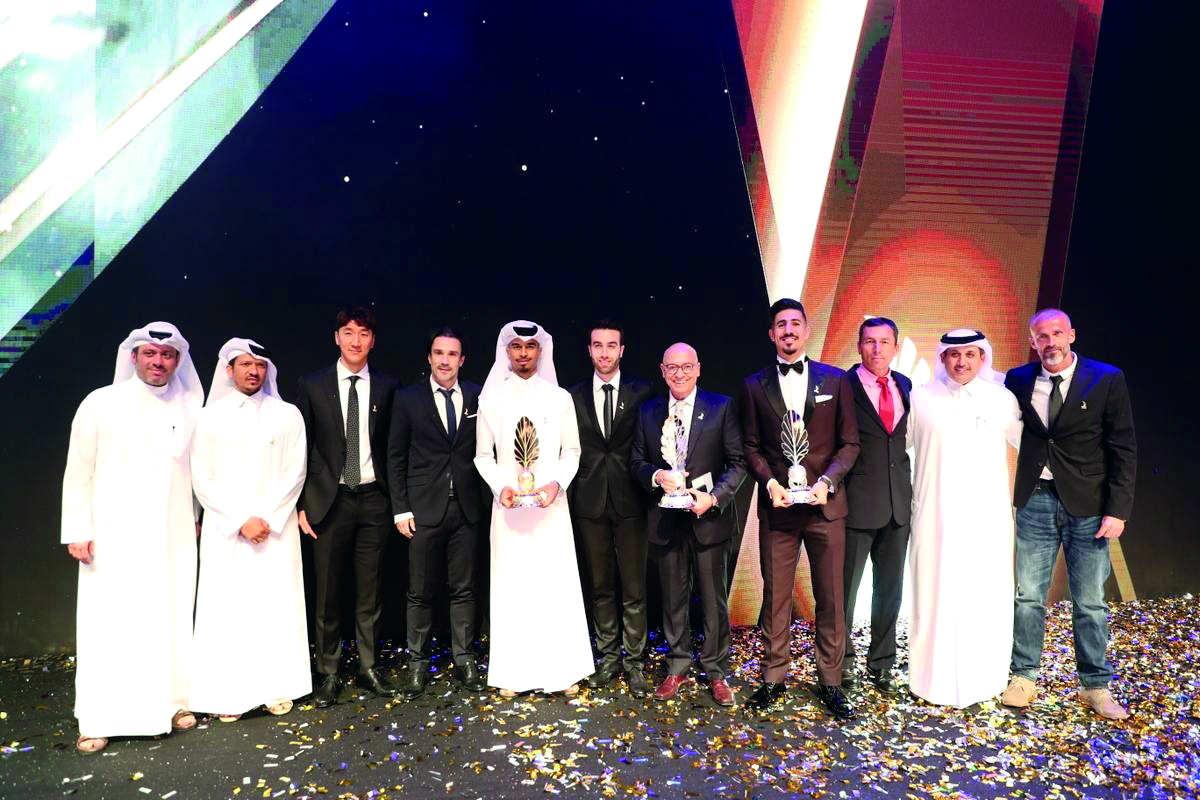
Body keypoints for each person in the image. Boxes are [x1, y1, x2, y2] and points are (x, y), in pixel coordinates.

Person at [61, 322, 204, 753]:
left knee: (172, 615)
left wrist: (198, 518)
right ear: (133, 356)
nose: (158, 362)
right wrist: (77, 530)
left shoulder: (191, 407)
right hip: (113, 537)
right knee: (110, 624)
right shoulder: (100, 403)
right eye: (150, 354)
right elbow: (78, 470)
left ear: (178, 361)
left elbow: (199, 470)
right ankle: (99, 717)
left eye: (167, 356)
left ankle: (173, 703)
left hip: (172, 534)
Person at [1001, 309, 1137, 720]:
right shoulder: (1017, 379)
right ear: (1033, 340)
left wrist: (1118, 509)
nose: (1050, 342)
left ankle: (1095, 686)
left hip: (1090, 508)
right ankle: (1023, 676)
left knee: (1090, 602)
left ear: (1072, 335)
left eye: (1057, 333)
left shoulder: (1106, 378)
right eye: (1042, 336)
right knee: (1028, 597)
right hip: (1036, 501)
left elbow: (1123, 448)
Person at [738, 299, 859, 719]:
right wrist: (770, 483)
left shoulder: (837, 380)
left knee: (830, 597)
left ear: (806, 330)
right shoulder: (754, 385)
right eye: (780, 325)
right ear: (771, 334)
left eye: (795, 323)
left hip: (826, 508)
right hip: (779, 508)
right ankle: (773, 678)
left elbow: (850, 444)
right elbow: (750, 447)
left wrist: (828, 482)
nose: (788, 330)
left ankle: (831, 681)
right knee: (776, 598)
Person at [189, 339, 311, 721]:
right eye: (245, 364)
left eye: (259, 364)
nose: (253, 371)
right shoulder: (209, 417)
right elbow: (202, 477)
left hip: (275, 531)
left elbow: (296, 472)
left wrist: (268, 520)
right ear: (229, 370)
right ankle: (230, 696)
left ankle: (279, 688)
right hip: (228, 532)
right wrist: (241, 520)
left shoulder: (287, 414)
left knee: (275, 607)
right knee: (229, 610)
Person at [473, 320, 592, 696]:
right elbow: (482, 456)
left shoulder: (559, 399)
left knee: (555, 585)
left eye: (530, 346)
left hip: (551, 508)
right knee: (513, 588)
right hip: (508, 511)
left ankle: (563, 670)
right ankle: (512, 674)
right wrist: (500, 487)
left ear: (541, 351)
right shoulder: (490, 400)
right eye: (516, 346)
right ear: (506, 351)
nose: (523, 353)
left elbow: (572, 451)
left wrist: (557, 483)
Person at [907, 329, 1021, 708]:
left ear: (982, 358)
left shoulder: (1002, 399)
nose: (961, 362)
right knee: (933, 593)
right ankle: (929, 681)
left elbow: (1034, 444)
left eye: (970, 355)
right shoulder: (921, 399)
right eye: (954, 355)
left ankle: (984, 679)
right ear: (942, 358)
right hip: (933, 518)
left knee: (982, 596)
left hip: (985, 521)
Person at [630, 342, 746, 707]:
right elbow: (635, 462)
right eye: (672, 367)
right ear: (662, 371)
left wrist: (713, 498)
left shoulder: (721, 407)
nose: (679, 373)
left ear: (698, 369)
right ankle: (677, 665)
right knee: (673, 598)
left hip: (708, 518)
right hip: (666, 519)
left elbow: (738, 462)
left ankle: (715, 669)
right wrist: (656, 475)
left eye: (686, 367)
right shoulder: (648, 411)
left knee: (714, 600)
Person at [296, 307, 400, 706]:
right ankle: (328, 671)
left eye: (364, 334)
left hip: (375, 498)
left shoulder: (389, 386)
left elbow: (393, 448)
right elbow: (301, 449)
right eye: (348, 332)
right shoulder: (313, 384)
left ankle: (368, 667)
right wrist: (304, 503)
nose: (356, 341)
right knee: (327, 592)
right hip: (330, 500)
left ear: (373, 340)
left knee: (371, 592)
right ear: (336, 337)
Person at [388, 328, 487, 698]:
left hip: (466, 507)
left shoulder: (478, 395)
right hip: (423, 509)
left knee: (463, 589)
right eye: (438, 353)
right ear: (429, 358)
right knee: (420, 592)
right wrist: (401, 508)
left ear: (462, 360)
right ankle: (417, 664)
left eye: (452, 354)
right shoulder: (407, 398)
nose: (445, 360)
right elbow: (395, 457)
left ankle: (464, 660)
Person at [569, 321, 655, 698]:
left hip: (631, 500)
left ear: (622, 350)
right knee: (601, 585)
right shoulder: (570, 396)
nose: (604, 352)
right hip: (589, 501)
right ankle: (608, 657)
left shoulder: (643, 393)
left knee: (634, 587)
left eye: (611, 345)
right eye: (597, 345)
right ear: (588, 350)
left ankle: (634, 662)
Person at [841, 317, 912, 695]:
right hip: (855, 505)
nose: (877, 349)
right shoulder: (842, 386)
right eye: (870, 341)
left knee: (890, 590)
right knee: (844, 591)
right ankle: (843, 661)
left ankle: (882, 662)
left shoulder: (906, 385)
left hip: (898, 507)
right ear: (859, 345)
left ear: (896, 347)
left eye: (885, 342)